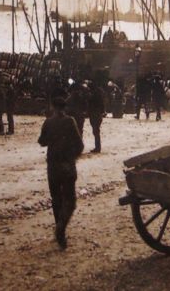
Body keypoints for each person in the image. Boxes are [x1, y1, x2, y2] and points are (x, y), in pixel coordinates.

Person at [38, 97, 84, 249]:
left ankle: (59, 227)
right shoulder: (70, 121)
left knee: (56, 198)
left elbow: (42, 141)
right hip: (67, 165)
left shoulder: (48, 122)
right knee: (70, 200)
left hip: (52, 165)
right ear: (65, 107)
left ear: (52, 106)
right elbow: (79, 145)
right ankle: (61, 227)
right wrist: (72, 157)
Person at [87, 81, 105, 152]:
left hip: (94, 114)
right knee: (96, 131)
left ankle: (97, 147)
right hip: (97, 114)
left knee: (96, 131)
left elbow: (90, 102)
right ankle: (97, 147)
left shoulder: (93, 95)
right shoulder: (99, 93)